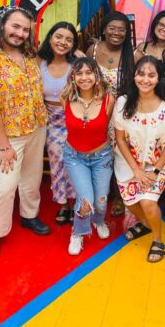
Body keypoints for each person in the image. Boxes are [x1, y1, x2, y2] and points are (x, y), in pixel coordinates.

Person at [0, 6, 50, 260]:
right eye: (15, 26)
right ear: (3, 24)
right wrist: (4, 146)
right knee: (5, 186)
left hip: (36, 126)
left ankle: (29, 216)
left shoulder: (28, 52)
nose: (20, 33)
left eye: (25, 29)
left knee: (32, 177)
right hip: (8, 135)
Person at [112, 56, 165, 263]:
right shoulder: (122, 103)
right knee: (131, 202)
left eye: (151, 75)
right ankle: (146, 224)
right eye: (141, 74)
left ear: (158, 79)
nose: (145, 79)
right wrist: (136, 171)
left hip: (159, 166)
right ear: (134, 75)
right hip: (129, 164)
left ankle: (157, 239)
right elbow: (119, 139)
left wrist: (154, 171)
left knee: (147, 201)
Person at [62, 57, 115, 255]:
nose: (84, 77)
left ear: (96, 76)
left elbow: (106, 127)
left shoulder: (109, 100)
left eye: (89, 73)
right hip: (75, 157)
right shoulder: (65, 98)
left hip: (102, 156)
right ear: (73, 77)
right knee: (85, 200)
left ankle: (99, 221)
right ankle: (78, 232)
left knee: (100, 201)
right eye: (79, 73)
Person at [134, 11, 165, 216]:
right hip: (144, 106)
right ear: (154, 25)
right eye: (161, 25)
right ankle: (151, 192)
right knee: (147, 150)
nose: (164, 29)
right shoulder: (141, 49)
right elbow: (134, 79)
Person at [86, 11, 134, 217]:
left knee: (121, 156)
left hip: (122, 114)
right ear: (104, 29)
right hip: (97, 112)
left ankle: (119, 196)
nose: (116, 33)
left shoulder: (134, 54)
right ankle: (97, 194)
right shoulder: (93, 50)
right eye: (112, 28)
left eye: (121, 29)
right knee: (97, 154)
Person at [37, 22, 79, 225]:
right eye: (59, 37)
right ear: (50, 37)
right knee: (57, 160)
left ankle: (78, 201)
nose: (63, 42)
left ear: (73, 44)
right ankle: (63, 204)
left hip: (73, 119)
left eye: (69, 39)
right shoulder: (39, 62)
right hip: (49, 120)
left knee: (75, 161)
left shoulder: (76, 64)